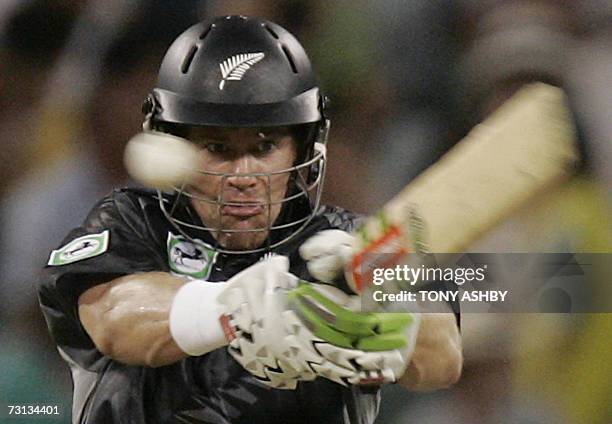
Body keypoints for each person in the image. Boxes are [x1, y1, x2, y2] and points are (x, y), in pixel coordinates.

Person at [39, 16, 462, 424]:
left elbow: (443, 354)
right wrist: (234, 311)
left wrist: (381, 320)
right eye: (217, 148)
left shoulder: (347, 241)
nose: (243, 177)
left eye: (264, 147)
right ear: (174, 148)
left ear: (302, 150)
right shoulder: (131, 222)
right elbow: (114, 318)